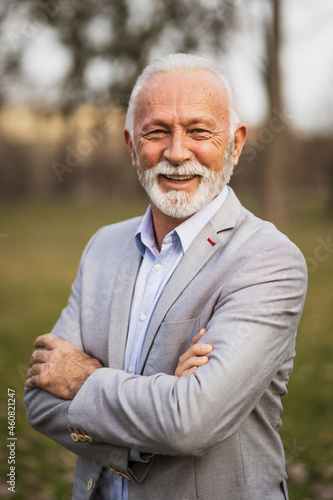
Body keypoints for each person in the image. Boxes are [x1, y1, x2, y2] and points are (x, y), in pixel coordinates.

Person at [24, 53, 307, 500]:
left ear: (235, 143)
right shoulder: (103, 247)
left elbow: (192, 421)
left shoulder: (268, 260)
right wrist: (161, 410)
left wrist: (83, 382)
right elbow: (39, 401)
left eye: (199, 131)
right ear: (131, 145)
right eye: (157, 132)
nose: (177, 153)